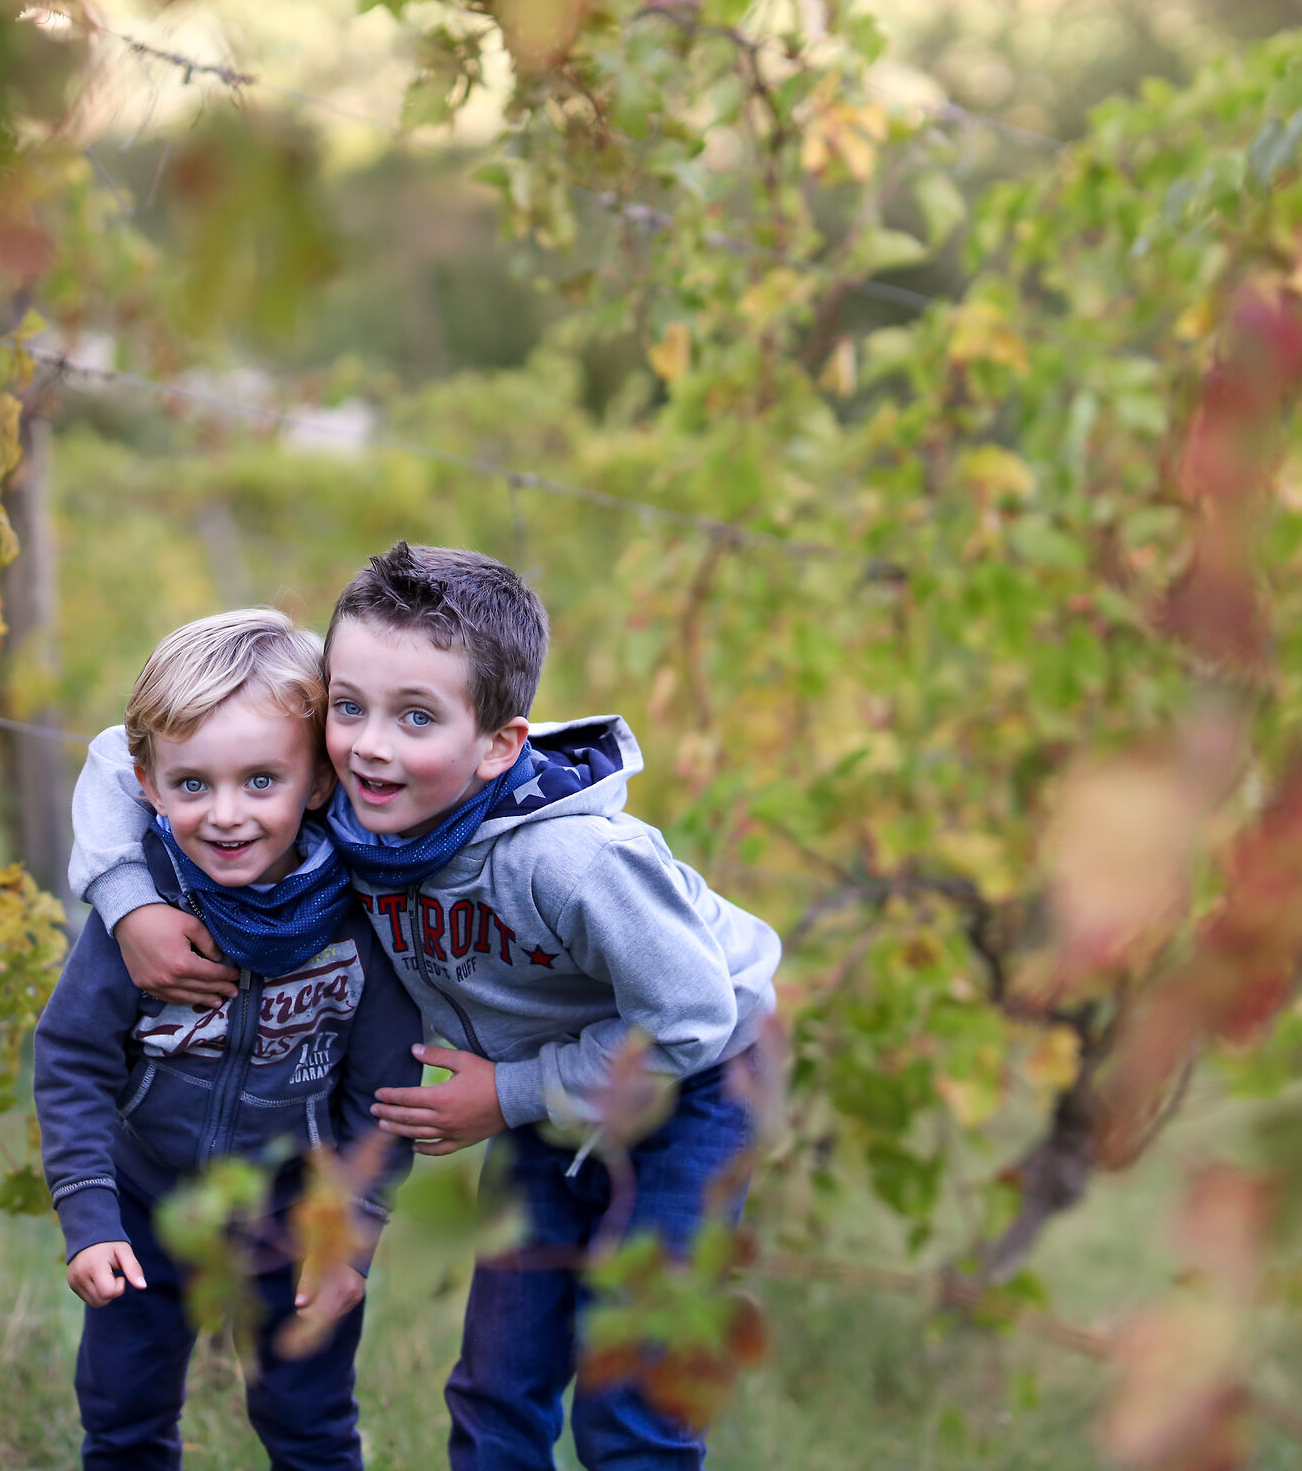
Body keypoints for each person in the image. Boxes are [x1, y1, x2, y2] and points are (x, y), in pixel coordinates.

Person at [67, 543, 783, 1471]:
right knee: (497, 1379)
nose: (371, 744)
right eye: (349, 707)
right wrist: (130, 906)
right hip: (552, 1071)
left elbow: (693, 1020)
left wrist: (513, 1093)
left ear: (499, 745)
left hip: (696, 1082)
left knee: (632, 1400)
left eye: (416, 717)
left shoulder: (573, 862)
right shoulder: (354, 802)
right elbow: (122, 756)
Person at [34, 608, 423, 1471]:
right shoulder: (140, 919)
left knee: (311, 1422)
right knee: (124, 1417)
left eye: (260, 781)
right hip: (146, 1206)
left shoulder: (358, 923)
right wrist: (91, 1217)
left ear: (318, 782)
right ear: (147, 783)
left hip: (293, 1214)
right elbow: (73, 1057)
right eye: (193, 785)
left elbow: (384, 1090)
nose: (225, 815)